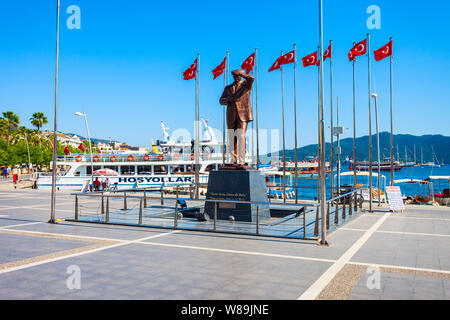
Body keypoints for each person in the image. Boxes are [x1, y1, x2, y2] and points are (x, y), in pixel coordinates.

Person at [219, 69, 254, 166]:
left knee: (241, 135)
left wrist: (242, 74)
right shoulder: (228, 88)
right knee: (232, 137)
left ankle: (241, 161)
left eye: (236, 75)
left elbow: (251, 78)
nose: (235, 77)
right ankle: (233, 160)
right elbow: (221, 100)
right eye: (234, 76)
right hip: (231, 115)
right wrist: (228, 99)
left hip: (243, 114)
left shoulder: (246, 85)